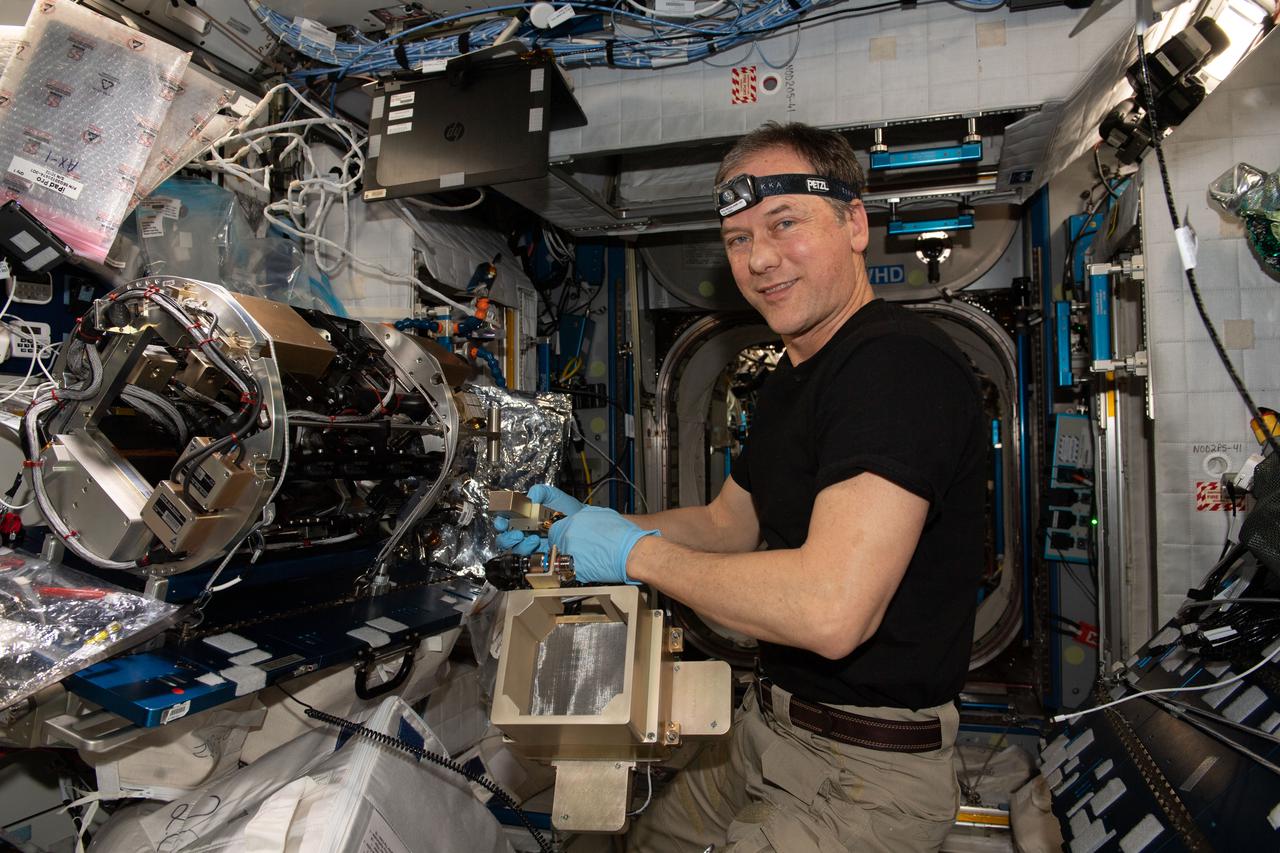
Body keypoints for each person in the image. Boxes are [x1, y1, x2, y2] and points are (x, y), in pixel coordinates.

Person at [496, 121, 985, 852]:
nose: (759, 259)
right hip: (766, 725)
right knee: (638, 837)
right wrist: (590, 526)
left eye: (783, 224)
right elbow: (729, 524)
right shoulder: (794, 380)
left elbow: (831, 609)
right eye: (737, 239)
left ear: (854, 222)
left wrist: (635, 556)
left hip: (864, 772)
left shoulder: (897, 370)